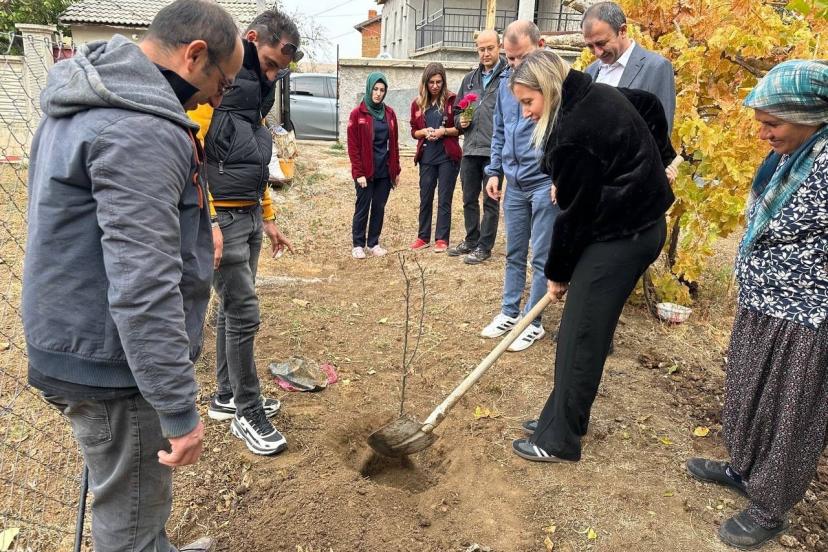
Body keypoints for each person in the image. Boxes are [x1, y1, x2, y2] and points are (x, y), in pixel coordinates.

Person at [22, 1, 244, 550]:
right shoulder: (139, 129)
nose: (218, 99)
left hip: (74, 337)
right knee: (132, 512)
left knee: (131, 489)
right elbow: (144, 285)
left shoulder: (88, 99)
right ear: (194, 55)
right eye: (221, 82)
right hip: (112, 363)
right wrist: (178, 407)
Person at [686, 60, 828, 550]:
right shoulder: (793, 155)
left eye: (772, 123)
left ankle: (771, 508)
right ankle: (744, 468)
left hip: (807, 312)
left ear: (808, 116)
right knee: (748, 390)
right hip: (763, 298)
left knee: (790, 411)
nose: (763, 133)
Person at [507, 50, 674, 462]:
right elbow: (648, 105)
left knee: (581, 334)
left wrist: (557, 273)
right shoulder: (595, 92)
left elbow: (574, 217)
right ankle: (561, 418)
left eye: (529, 102)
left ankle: (558, 440)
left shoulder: (571, 133)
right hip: (636, 224)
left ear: (549, 88)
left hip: (622, 235)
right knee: (580, 332)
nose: (526, 113)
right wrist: (658, 159)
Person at [190, 9, 300, 456]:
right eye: (270, 63)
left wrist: (267, 216)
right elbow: (193, 158)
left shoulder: (258, 92)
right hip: (225, 221)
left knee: (233, 309)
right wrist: (212, 222)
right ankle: (246, 411)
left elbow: (253, 159)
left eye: (279, 70)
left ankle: (226, 395)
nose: (273, 74)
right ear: (252, 38)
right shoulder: (215, 81)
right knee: (244, 314)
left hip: (249, 214)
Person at [480, 21, 559, 352]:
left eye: (521, 58)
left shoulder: (555, 85)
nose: (514, 65)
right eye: (510, 59)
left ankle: (532, 322)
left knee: (540, 256)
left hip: (543, 182)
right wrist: (494, 171)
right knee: (514, 251)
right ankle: (510, 312)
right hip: (514, 182)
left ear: (540, 46)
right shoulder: (505, 85)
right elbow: (500, 129)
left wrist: (559, 176)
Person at [447, 29, 508, 265]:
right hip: (471, 149)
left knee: (490, 200)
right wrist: (459, 121)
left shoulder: (508, 77)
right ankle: (472, 239)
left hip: (494, 150)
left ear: (499, 47)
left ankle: (485, 246)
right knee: (468, 198)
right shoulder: (469, 80)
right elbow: (457, 112)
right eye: (481, 49)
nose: (485, 53)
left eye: (490, 48)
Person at [582, 1, 676, 134]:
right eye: (590, 46)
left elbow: (661, 134)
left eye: (601, 43)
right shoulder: (590, 72)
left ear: (623, 31)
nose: (597, 53)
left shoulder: (656, 68)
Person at [347, 72, 401, 258]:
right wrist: (358, 172)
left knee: (379, 207)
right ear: (369, 89)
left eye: (382, 90)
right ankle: (358, 244)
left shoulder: (389, 114)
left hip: (384, 171)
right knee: (363, 207)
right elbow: (353, 146)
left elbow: (394, 144)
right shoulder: (358, 114)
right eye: (375, 89)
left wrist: (395, 170)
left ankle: (373, 243)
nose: (378, 93)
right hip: (365, 171)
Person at [409, 62, 462, 253]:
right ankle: (423, 237)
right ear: (425, 83)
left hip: (447, 156)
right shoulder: (417, 104)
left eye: (439, 82)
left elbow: (460, 128)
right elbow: (414, 131)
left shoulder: (452, 100)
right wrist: (424, 132)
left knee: (444, 199)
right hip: (427, 157)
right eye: (431, 82)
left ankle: (442, 238)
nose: (435, 86)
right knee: (425, 198)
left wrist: (443, 132)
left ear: (443, 82)